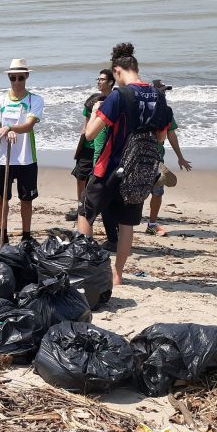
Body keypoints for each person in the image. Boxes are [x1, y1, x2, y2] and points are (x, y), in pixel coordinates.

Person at [77, 43, 172, 285]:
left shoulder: (119, 95)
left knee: (85, 212)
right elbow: (161, 138)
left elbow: (90, 134)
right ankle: (118, 274)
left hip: (110, 167)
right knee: (127, 223)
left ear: (117, 71)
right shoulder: (158, 96)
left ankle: (87, 268)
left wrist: (96, 111)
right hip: (139, 171)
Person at [0, 58, 44, 246]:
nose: (17, 82)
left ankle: (26, 236)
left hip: (26, 158)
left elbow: (28, 125)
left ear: (27, 76)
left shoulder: (35, 100)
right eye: (13, 78)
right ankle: (2, 234)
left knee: (26, 199)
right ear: (9, 78)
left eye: (20, 77)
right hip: (3, 158)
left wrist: (10, 128)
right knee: (3, 197)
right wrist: (4, 131)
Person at [68, 69, 120, 252]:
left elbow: (99, 133)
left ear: (111, 82)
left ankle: (88, 243)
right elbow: (86, 129)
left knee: (99, 201)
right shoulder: (92, 101)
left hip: (103, 158)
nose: (99, 81)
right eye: (98, 79)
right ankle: (110, 238)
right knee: (83, 180)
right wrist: (80, 146)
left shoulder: (113, 103)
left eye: (102, 79)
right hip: (92, 150)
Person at [146, 86, 192, 236]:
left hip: (157, 158)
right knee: (137, 192)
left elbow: (171, 135)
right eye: (160, 92)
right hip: (139, 157)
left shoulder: (166, 112)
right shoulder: (142, 109)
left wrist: (180, 157)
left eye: (163, 93)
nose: (162, 95)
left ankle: (152, 224)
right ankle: (126, 224)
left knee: (157, 191)